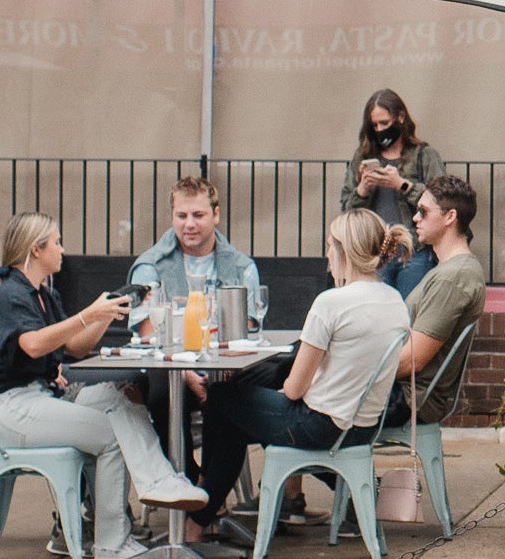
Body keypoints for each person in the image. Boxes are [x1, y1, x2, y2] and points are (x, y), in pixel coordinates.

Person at [0, 213, 208, 559]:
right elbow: (33, 345)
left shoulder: (43, 296)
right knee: (109, 436)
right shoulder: (11, 294)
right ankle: (112, 544)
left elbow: (76, 349)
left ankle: (161, 481)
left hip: (39, 398)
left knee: (119, 396)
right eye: (56, 242)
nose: (62, 249)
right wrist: (86, 314)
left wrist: (104, 314)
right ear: (36, 250)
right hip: (10, 409)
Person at [193, 212, 414, 533]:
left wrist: (286, 395)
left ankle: (200, 505)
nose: (326, 254)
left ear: (344, 250)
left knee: (221, 396)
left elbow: (295, 388)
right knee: (233, 423)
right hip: (364, 427)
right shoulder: (395, 301)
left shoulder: (331, 303)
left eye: (329, 245)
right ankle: (203, 516)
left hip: (319, 426)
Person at [129, 177, 268, 447]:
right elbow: (149, 334)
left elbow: (246, 330)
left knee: (247, 390)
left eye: (198, 215)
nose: (189, 224)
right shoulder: (149, 266)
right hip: (172, 373)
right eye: (181, 215)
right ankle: (182, 479)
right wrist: (187, 373)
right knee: (162, 392)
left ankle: (213, 483)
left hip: (226, 370)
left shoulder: (242, 266)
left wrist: (219, 371)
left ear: (216, 215)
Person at [390, 173, 486, 403]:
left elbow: (412, 360)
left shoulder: (453, 278)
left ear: (449, 217)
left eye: (423, 211)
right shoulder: (449, 270)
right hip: (401, 390)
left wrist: (353, 374)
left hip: (410, 398)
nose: (415, 218)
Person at [341, 89, 447, 296]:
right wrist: (362, 189)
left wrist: (402, 185)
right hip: (374, 252)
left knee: (409, 313)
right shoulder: (363, 156)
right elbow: (346, 209)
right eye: (374, 125)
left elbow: (443, 201)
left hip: (413, 251)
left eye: (385, 123)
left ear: (400, 117)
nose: (380, 130)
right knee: (376, 315)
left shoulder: (424, 155)